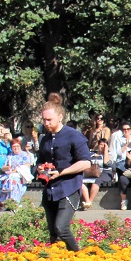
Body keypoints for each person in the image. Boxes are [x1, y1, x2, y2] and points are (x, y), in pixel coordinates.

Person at [36, 96, 90, 250]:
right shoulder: (45, 139)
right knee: (53, 233)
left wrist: (61, 172)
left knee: (61, 228)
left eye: (49, 120)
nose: (46, 123)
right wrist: (40, 167)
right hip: (50, 190)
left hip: (68, 188)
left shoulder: (73, 135)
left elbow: (86, 162)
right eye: (44, 120)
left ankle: (78, 256)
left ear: (60, 117)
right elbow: (40, 160)